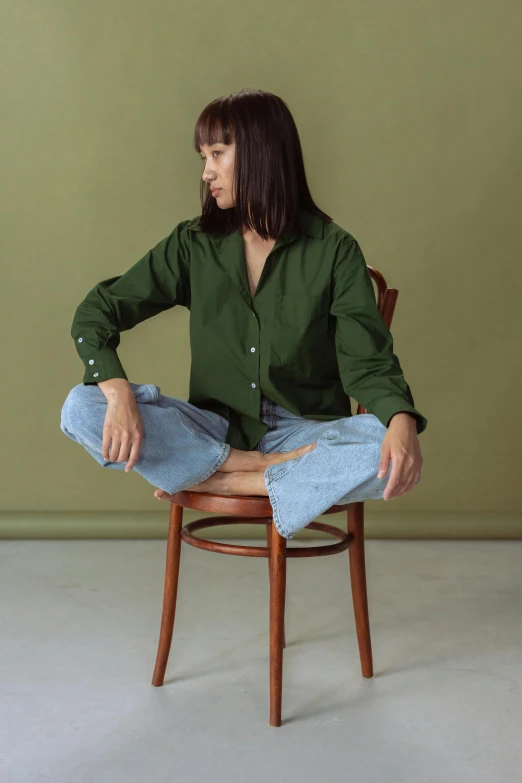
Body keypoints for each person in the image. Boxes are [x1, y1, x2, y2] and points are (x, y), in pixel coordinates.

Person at [60, 88, 426, 540]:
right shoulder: (193, 243)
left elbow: (367, 362)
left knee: (380, 448)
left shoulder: (334, 250)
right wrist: (116, 393)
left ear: (260, 154)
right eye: (203, 157)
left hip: (302, 434)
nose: (206, 172)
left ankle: (223, 477)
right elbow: (98, 311)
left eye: (216, 153)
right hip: (214, 430)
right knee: (81, 406)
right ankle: (243, 467)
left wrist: (402, 422)